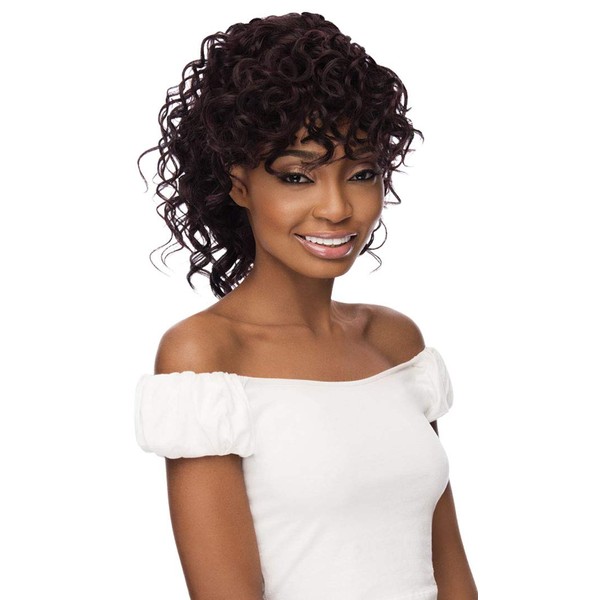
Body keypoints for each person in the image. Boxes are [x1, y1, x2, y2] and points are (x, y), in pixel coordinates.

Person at [135, 11, 477, 600]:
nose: (337, 208)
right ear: (238, 184)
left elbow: (452, 577)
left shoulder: (396, 342)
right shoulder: (206, 358)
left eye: (361, 173)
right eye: (298, 177)